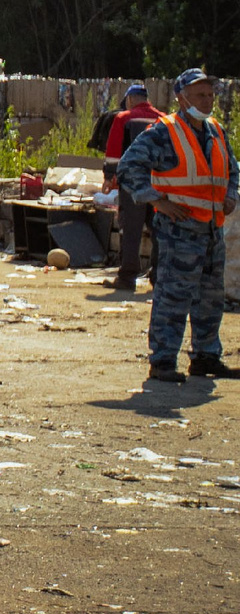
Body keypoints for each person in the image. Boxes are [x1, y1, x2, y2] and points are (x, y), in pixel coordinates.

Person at [115, 68, 237, 384]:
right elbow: (128, 167)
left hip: (211, 231)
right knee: (172, 297)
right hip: (179, 233)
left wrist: (231, 195)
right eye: (200, 95)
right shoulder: (164, 133)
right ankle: (163, 361)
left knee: (210, 300)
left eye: (210, 94)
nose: (208, 100)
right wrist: (157, 201)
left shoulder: (217, 132)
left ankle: (206, 357)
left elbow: (233, 171)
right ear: (182, 98)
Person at [100, 82, 166, 291]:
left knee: (131, 231)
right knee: (159, 232)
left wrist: (109, 178)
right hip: (159, 183)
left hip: (132, 185)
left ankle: (127, 278)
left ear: (129, 99)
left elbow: (113, 153)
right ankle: (159, 278)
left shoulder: (123, 118)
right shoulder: (164, 120)